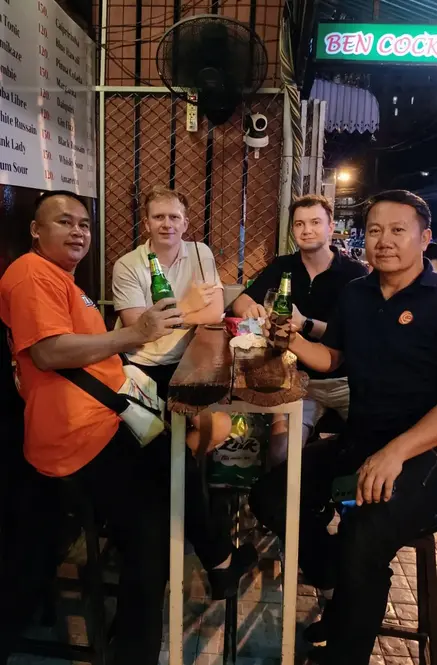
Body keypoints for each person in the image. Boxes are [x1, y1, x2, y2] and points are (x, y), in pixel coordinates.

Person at [0, 190, 256, 665]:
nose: (78, 232)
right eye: (64, 222)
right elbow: (50, 352)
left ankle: (211, 567)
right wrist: (136, 334)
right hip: (80, 435)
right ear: (35, 230)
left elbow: (211, 308)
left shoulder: (61, 279)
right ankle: (205, 574)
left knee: (173, 470)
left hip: (101, 419)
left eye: (84, 224)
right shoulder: (32, 274)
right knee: (157, 516)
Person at [249, 189, 437, 665]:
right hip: (362, 438)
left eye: (398, 230)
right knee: (272, 496)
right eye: (375, 230)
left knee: (362, 538)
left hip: (425, 453)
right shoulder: (357, 293)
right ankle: (339, 581)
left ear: (424, 238)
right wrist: (291, 339)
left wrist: (396, 453)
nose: (384, 240)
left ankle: (346, 645)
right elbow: (332, 358)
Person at [233, 194, 367, 462]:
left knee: (372, 444)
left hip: (346, 381)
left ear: (331, 227)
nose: (307, 230)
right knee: (281, 455)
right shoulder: (283, 266)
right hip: (295, 380)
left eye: (315, 222)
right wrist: (250, 308)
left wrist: (304, 323)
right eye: (299, 224)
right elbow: (241, 301)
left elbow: (352, 335)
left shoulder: (355, 274)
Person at [112, 185, 231, 452]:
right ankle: (169, 470)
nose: (167, 224)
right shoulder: (127, 265)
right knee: (147, 439)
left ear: (185, 223)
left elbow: (214, 312)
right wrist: (188, 307)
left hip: (185, 365)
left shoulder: (200, 253)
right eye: (159, 217)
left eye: (174, 217)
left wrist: (166, 318)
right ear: (147, 224)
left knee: (219, 426)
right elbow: (136, 327)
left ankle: (171, 471)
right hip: (141, 366)